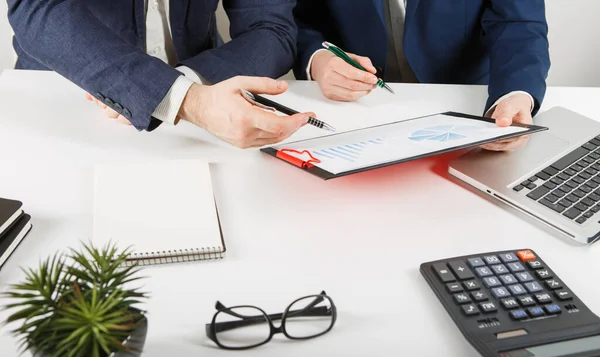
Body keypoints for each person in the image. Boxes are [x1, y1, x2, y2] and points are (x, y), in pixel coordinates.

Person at [7, 0, 314, 149]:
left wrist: (185, 86)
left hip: (212, 95)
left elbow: (270, 27)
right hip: (65, 104)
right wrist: (186, 100)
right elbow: (36, 10)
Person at [293, 0, 551, 151]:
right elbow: (294, 17)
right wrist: (317, 59)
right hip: (349, 111)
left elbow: (519, 23)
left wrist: (515, 92)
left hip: (466, 109)